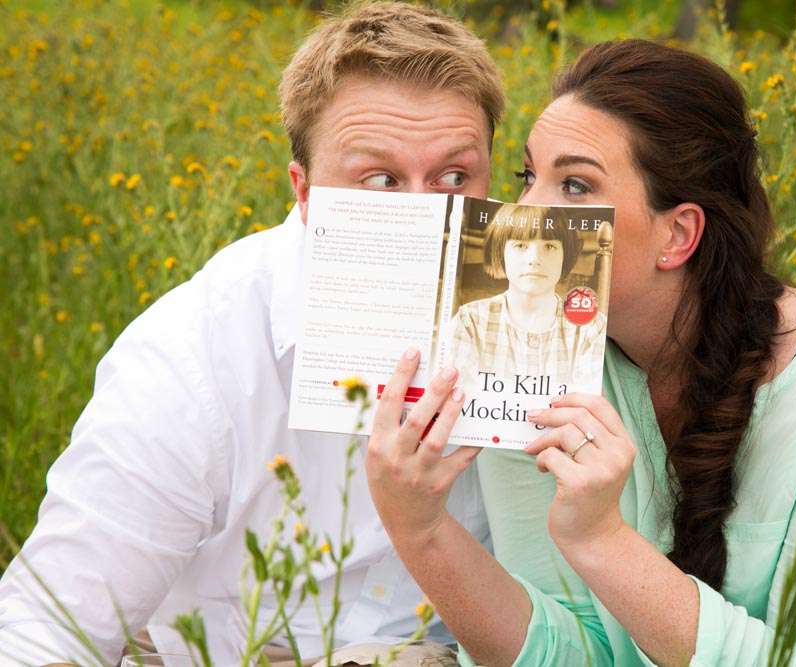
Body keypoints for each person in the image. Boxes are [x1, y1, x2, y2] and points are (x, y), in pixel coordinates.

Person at [365, 39, 796, 666]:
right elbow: (561, 654)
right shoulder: (534, 363)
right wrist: (421, 529)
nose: (525, 212)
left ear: (678, 234)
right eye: (526, 177)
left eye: (574, 184)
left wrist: (602, 539)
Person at [0, 3, 504, 666]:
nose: (423, 216)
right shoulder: (192, 358)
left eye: (454, 177)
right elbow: (45, 628)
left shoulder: (534, 316)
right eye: (379, 180)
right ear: (303, 192)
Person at [448, 202, 606, 391]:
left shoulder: (590, 327)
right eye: (520, 245)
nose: (534, 259)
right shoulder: (470, 321)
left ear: (566, 255)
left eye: (549, 246)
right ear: (500, 252)